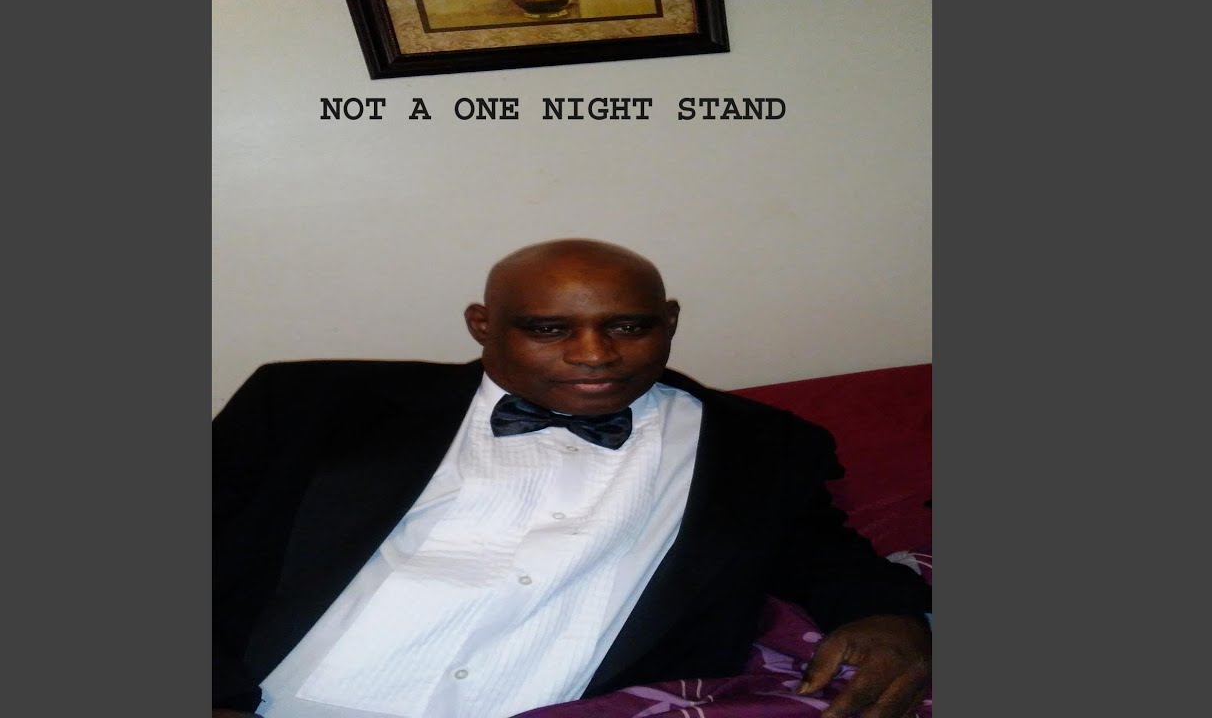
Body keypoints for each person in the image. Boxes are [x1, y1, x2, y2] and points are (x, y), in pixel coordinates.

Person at [213, 239, 931, 718]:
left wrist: (895, 620)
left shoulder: (761, 446)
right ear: (482, 324)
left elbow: (822, 552)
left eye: (630, 327)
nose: (595, 355)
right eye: (548, 329)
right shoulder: (312, 404)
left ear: (670, 321)